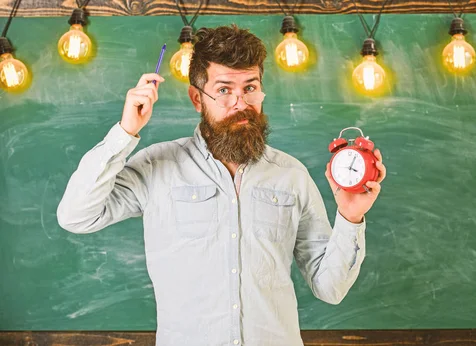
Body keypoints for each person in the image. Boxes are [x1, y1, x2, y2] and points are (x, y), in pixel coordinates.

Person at [57, 25, 386, 346]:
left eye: (250, 88)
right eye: (225, 90)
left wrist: (350, 217)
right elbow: (76, 216)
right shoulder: (157, 166)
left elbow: (330, 288)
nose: (241, 103)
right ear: (197, 99)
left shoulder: (291, 175)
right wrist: (125, 132)